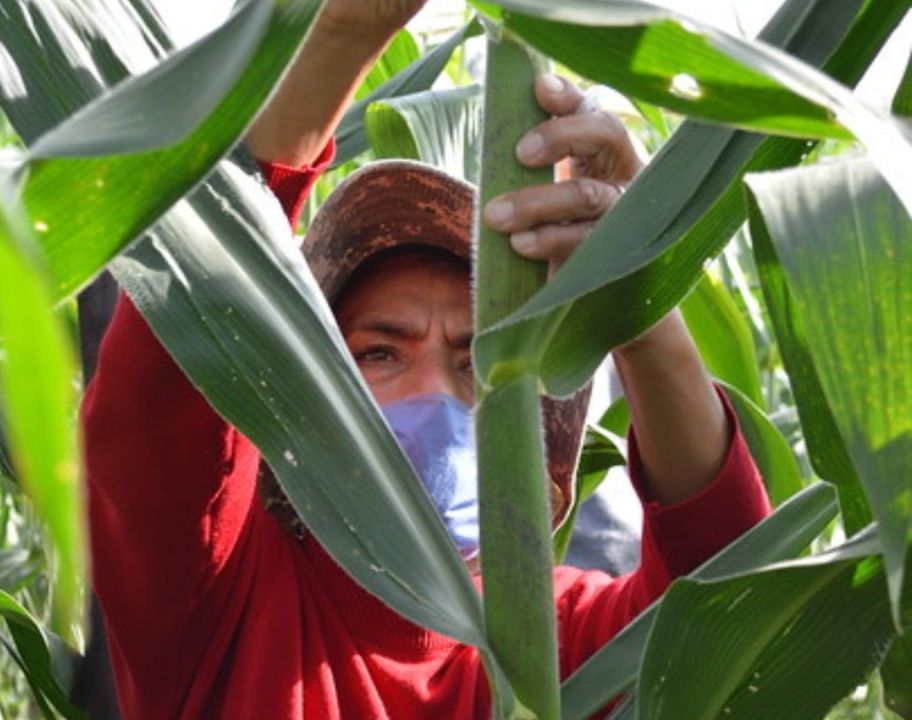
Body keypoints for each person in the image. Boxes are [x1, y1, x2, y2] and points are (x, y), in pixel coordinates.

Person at [83, 1, 771, 717]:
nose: (433, 394)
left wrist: (640, 298)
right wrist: (342, 30)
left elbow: (736, 599)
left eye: (478, 365)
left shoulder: (562, 645)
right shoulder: (222, 598)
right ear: (307, 397)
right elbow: (171, 367)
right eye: (380, 352)